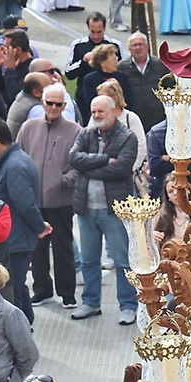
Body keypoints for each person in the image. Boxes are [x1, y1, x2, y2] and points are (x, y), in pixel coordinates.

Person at [68, 95, 139, 323]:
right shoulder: (85, 133)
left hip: (114, 210)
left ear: (113, 112)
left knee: (122, 260)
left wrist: (88, 168)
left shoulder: (127, 137)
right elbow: (73, 159)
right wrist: (103, 159)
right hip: (86, 208)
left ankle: (128, 305)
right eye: (93, 111)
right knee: (89, 260)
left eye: (101, 111)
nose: (96, 115)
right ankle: (90, 302)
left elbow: (121, 168)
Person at [0, 120, 50, 319]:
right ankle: (27, 324)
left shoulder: (15, 166)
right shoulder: (8, 162)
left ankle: (20, 336)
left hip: (16, 241)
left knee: (11, 291)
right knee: (17, 288)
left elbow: (26, 204)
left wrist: (39, 227)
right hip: (13, 239)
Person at [16, 88, 78, 311]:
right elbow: (19, 157)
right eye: (50, 103)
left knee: (63, 248)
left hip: (61, 200)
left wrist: (64, 181)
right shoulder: (28, 127)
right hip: (33, 200)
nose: (53, 108)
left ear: (64, 106)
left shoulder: (74, 131)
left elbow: (79, 164)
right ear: (42, 103)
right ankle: (41, 290)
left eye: (58, 104)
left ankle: (67, 293)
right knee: (37, 248)